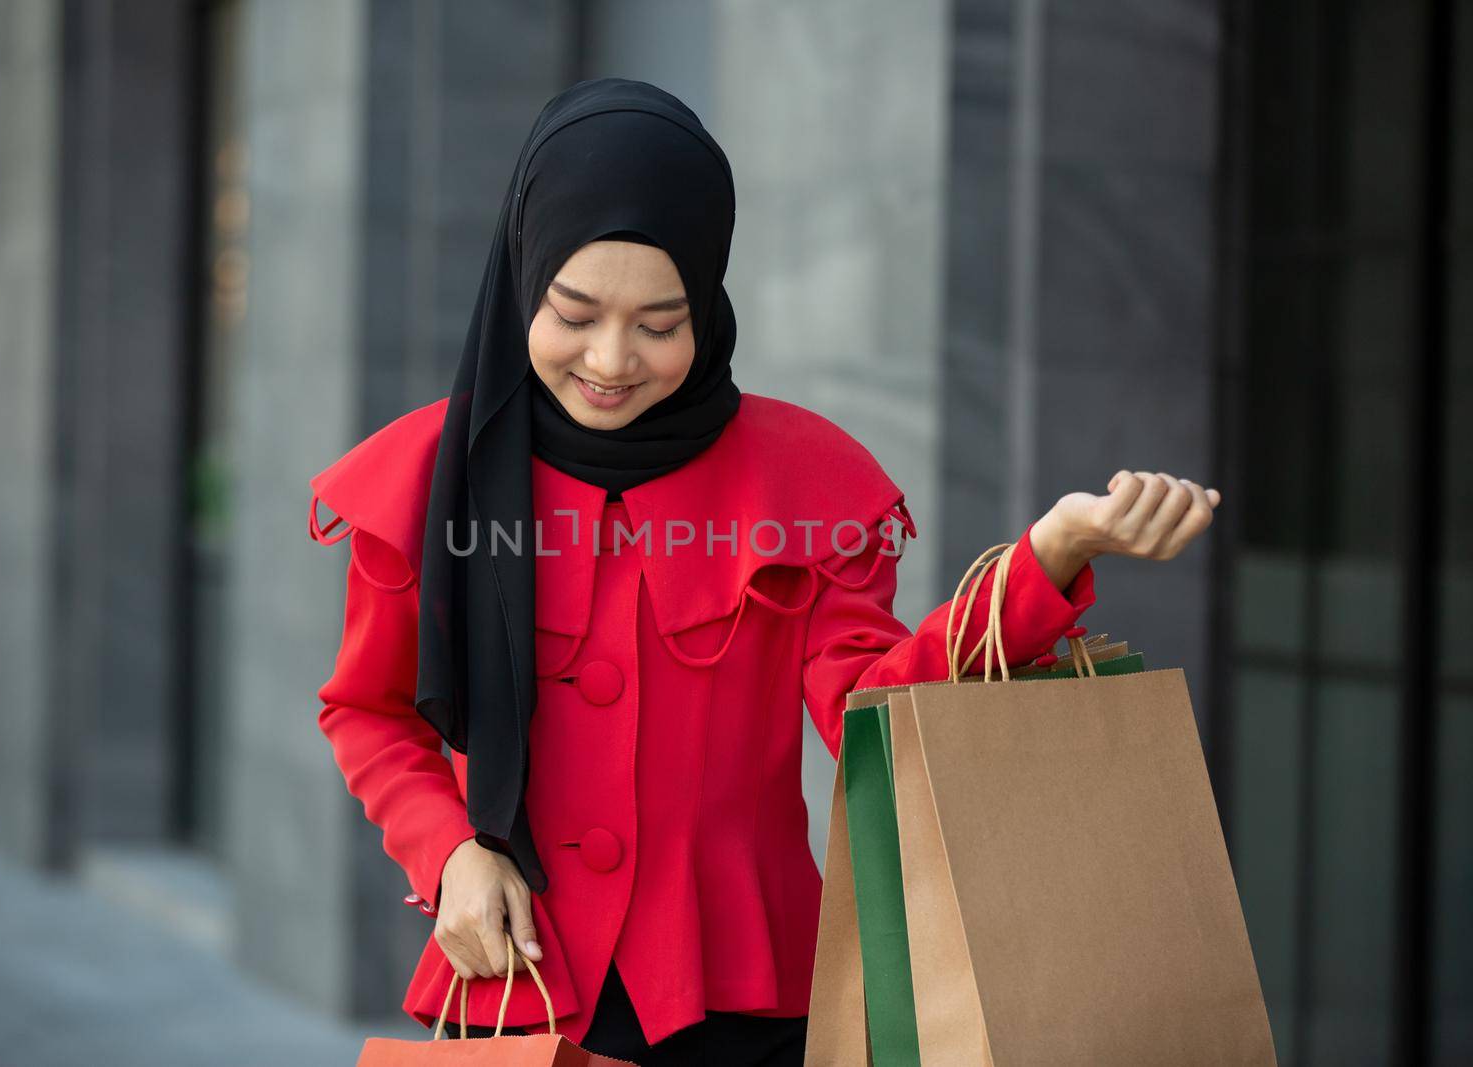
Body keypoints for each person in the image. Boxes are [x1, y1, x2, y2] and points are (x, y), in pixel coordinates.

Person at [307, 77, 1221, 1066]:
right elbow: (369, 708)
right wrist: (447, 850)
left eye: (660, 323)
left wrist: (1046, 559)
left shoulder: (803, 480)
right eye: (573, 312)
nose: (611, 358)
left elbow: (871, 711)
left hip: (745, 1000)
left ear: (707, 298)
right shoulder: (424, 479)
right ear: (522, 278)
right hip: (514, 981)